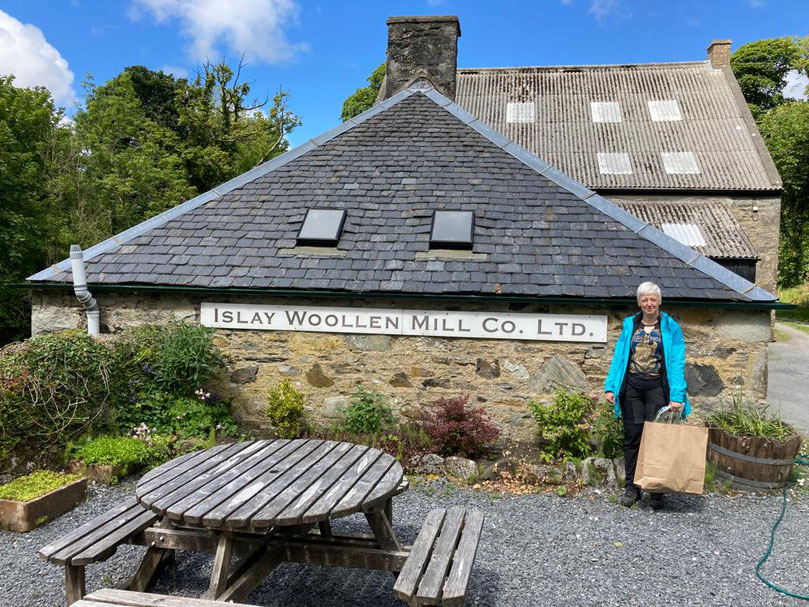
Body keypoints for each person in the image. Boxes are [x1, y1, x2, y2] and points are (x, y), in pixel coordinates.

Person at [604, 282, 690, 509]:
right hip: (631, 390)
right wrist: (611, 387)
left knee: (657, 440)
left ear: (659, 302)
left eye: (653, 299)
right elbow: (619, 358)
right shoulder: (629, 326)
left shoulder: (671, 328)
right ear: (639, 303)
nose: (649, 304)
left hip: (657, 390)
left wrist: (677, 395)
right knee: (633, 438)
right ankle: (632, 487)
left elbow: (676, 362)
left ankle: (655, 489)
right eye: (645, 300)